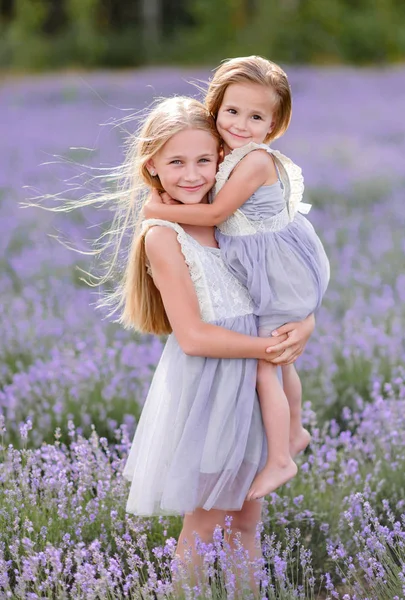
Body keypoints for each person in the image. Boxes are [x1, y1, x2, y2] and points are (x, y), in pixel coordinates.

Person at [116, 96, 315, 569]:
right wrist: (270, 348)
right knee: (204, 526)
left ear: (222, 158)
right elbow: (194, 338)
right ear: (153, 166)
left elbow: (278, 285)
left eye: (204, 160)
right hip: (212, 388)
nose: (192, 175)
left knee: (246, 522)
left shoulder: (229, 218)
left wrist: (303, 321)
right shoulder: (165, 235)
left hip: (251, 389)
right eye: (177, 162)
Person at [143, 56, 330, 502]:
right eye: (231, 112)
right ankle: (295, 433)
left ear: (274, 123)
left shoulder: (252, 161)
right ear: (215, 109)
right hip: (261, 286)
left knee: (272, 363)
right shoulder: (222, 161)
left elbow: (213, 214)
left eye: (256, 116)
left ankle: (284, 452)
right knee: (277, 360)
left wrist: (155, 208)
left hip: (277, 270)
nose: (241, 124)